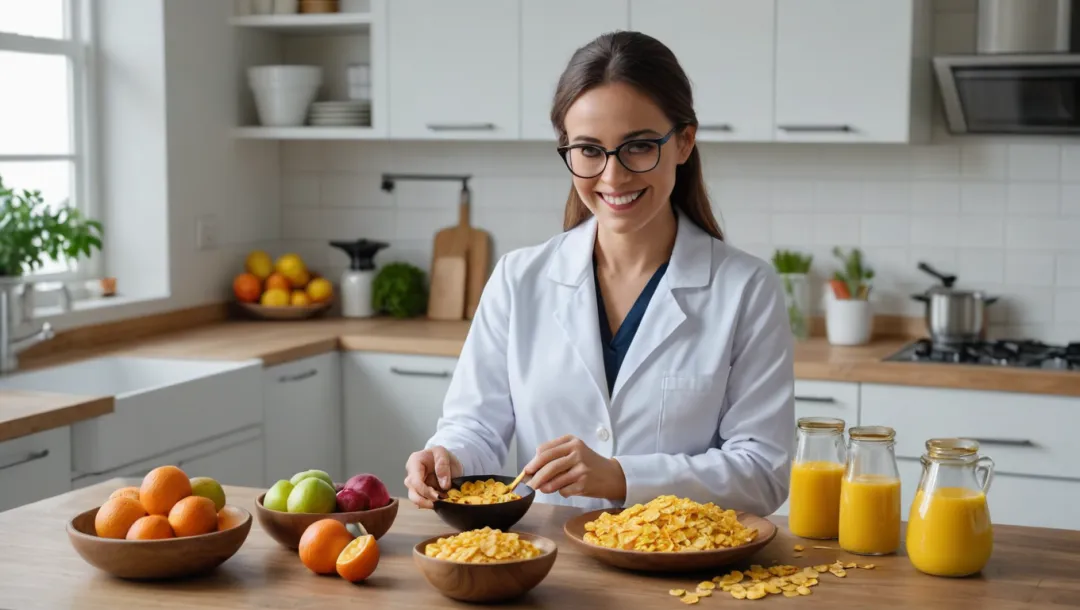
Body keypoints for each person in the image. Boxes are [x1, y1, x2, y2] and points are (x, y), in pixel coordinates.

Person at [404, 31, 795, 515]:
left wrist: (621, 476)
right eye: (589, 150)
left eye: (638, 147)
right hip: (550, 573)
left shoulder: (747, 290)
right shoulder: (518, 279)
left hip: (685, 574)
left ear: (684, 142)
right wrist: (448, 457)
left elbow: (762, 472)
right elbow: (476, 427)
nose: (613, 177)